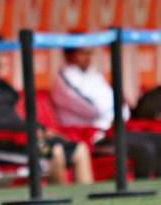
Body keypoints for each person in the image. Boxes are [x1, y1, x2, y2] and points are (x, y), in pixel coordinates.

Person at [0, 31, 94, 184]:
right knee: (55, 153)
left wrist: (38, 129)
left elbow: (15, 118)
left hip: (20, 139)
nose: (0, 60)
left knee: (79, 150)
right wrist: (30, 129)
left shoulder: (4, 86)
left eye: (2, 54)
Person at [51, 45, 161, 178]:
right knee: (144, 147)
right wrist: (114, 108)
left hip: (114, 129)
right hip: (94, 137)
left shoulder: (93, 74)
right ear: (69, 55)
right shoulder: (66, 77)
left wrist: (116, 108)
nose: (88, 58)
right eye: (83, 53)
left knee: (158, 139)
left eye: (90, 53)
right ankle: (143, 193)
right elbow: (95, 109)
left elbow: (120, 106)